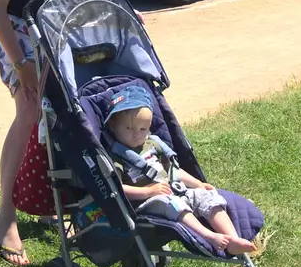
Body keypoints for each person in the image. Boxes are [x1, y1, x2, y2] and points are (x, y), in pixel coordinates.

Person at [0, 0, 130, 266]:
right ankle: (5, 216)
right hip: (19, 30)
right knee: (31, 112)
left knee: (74, 113)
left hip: (67, 26)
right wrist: (20, 65)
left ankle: (58, 202)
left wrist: (120, 7)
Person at [102, 83, 259, 256]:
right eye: (128, 128)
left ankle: (233, 238)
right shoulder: (116, 157)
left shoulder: (152, 145)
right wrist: (148, 191)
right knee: (173, 204)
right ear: (112, 125)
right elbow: (116, 188)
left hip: (174, 191)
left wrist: (198, 183)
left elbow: (173, 171)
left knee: (206, 196)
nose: (136, 134)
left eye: (142, 129)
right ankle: (209, 236)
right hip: (147, 203)